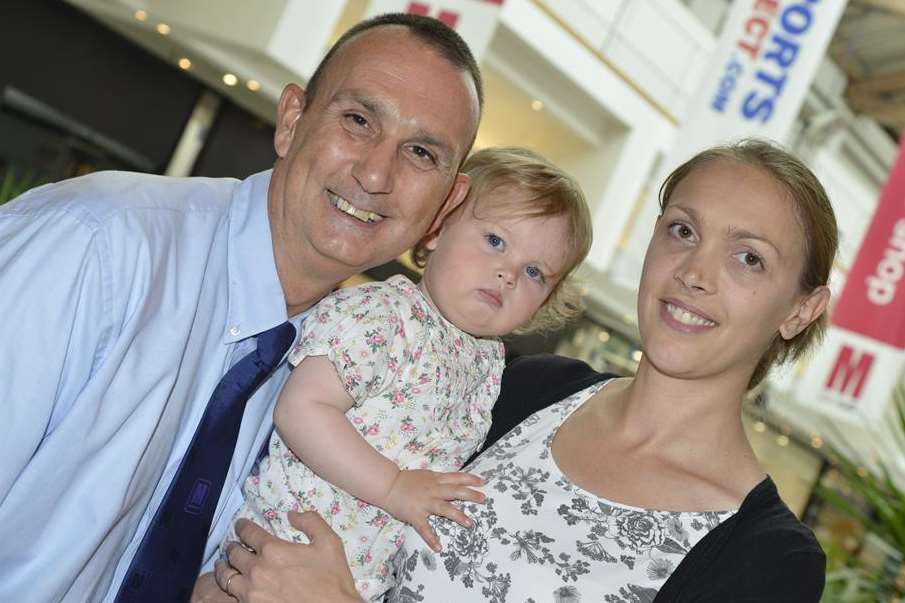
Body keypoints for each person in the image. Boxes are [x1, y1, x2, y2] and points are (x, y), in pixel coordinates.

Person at [211, 139, 837, 602]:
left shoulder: (767, 559)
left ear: (801, 309)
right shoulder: (525, 390)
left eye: (749, 258)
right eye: (681, 230)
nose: (694, 273)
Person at [0, 13, 483, 603]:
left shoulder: (352, 375)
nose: (377, 174)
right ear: (291, 120)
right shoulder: (97, 246)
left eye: (422, 153)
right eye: (358, 121)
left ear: (447, 205)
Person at [221, 147, 593, 601]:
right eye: (495, 241)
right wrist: (393, 486)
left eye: (535, 272)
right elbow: (301, 410)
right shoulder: (385, 315)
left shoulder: (487, 366)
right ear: (437, 228)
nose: (508, 273)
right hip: (282, 551)